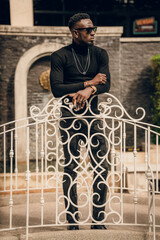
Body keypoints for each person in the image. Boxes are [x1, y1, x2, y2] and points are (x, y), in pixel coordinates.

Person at [50, 13, 110, 230]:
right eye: (88, 29)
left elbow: (106, 84)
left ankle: (98, 219)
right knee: (71, 168)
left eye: (94, 28)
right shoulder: (59, 56)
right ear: (76, 32)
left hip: (93, 118)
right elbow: (56, 89)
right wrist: (89, 81)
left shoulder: (101, 54)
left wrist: (89, 90)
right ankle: (72, 219)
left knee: (102, 166)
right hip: (69, 118)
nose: (93, 32)